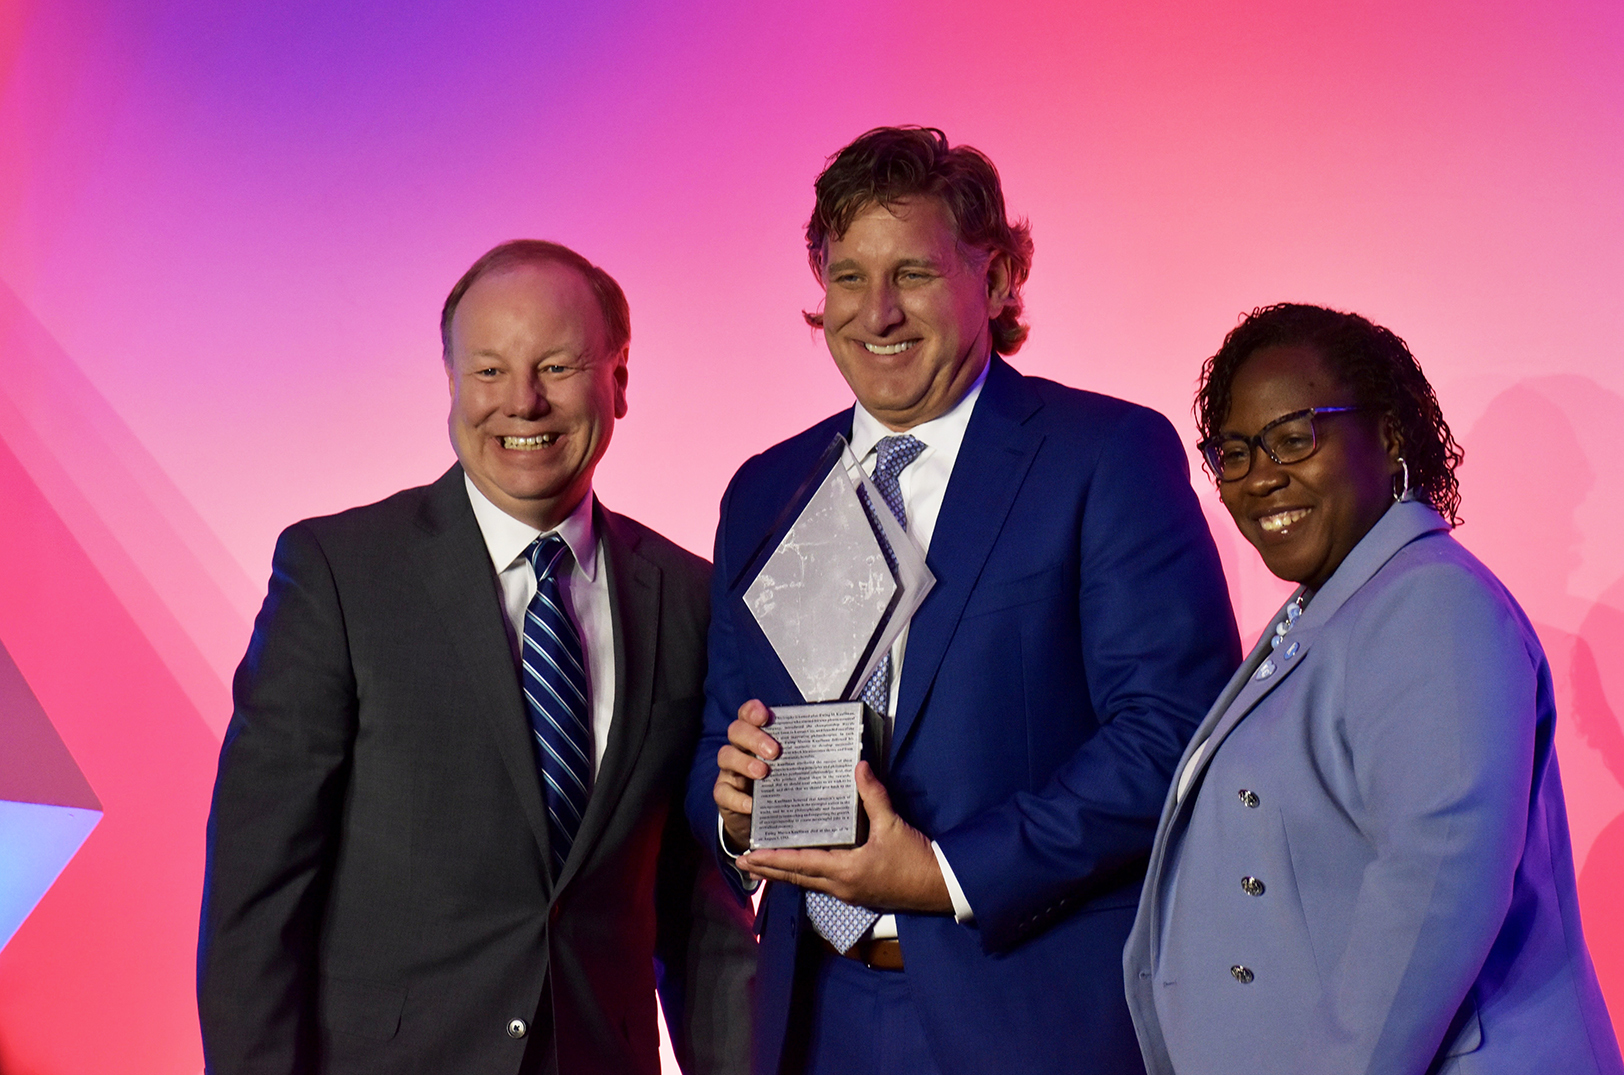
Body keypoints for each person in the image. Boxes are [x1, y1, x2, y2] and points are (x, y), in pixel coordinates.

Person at [686, 126, 1240, 1075]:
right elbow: (717, 741)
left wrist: (944, 873)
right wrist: (736, 811)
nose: (879, 310)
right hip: (812, 1014)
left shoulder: (1100, 457)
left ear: (995, 276)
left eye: (914, 272)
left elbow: (1172, 733)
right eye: (848, 276)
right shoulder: (766, 490)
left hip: (1027, 1011)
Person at [199, 240, 755, 1075]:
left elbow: (694, 907)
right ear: (452, 383)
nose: (521, 403)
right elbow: (258, 893)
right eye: (488, 371)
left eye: (557, 366)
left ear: (620, 379)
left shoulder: (691, 599)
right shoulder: (341, 575)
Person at [1122, 303, 1624, 1074]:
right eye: (1235, 451)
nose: (1263, 475)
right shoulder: (1336, 606)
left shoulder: (1432, 604)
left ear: (1388, 437)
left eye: (1295, 437)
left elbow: (1436, 884)